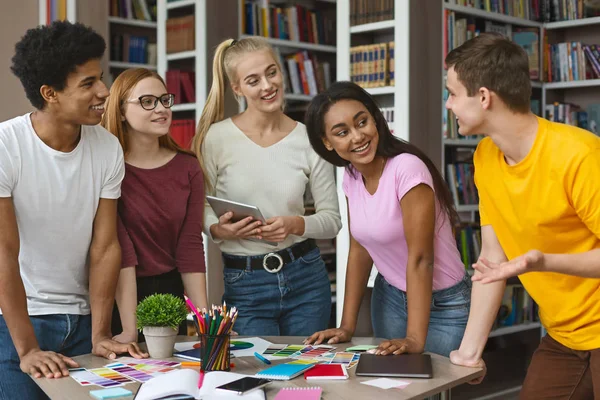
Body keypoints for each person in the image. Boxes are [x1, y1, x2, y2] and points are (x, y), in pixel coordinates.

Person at [445, 33, 600, 397]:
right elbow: (492, 260)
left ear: (483, 97)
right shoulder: (485, 158)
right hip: (564, 334)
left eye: (452, 93)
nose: (448, 104)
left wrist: (543, 261)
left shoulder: (579, 155)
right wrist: (469, 353)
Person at [0, 21, 146, 400]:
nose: (104, 91)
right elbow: (4, 251)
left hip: (82, 322)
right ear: (50, 93)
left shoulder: (107, 147)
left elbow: (105, 247)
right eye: (87, 84)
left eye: (101, 78)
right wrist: (28, 349)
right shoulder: (6, 146)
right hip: (16, 325)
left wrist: (100, 332)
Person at [302, 81, 471, 357]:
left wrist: (415, 338)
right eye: (342, 132)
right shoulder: (351, 175)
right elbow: (359, 249)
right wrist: (346, 326)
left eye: (362, 122)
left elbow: (421, 258)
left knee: (430, 392)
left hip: (444, 303)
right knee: (390, 388)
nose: (357, 137)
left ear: (375, 119)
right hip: (390, 296)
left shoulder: (407, 169)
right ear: (327, 143)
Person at [191, 37, 342, 336]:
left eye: (271, 73)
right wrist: (218, 229)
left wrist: (295, 224)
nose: (267, 85)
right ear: (237, 88)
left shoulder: (309, 139)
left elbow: (332, 221)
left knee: (305, 376)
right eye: (253, 80)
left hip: (307, 281)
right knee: (254, 376)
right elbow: (199, 208)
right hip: (245, 285)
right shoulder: (215, 139)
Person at [101, 68, 208, 344]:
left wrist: (205, 322)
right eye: (147, 101)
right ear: (121, 111)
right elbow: (121, 250)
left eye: (164, 100)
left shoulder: (188, 167)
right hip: (116, 296)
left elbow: (190, 246)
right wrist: (129, 330)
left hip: (168, 293)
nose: (161, 109)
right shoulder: (109, 168)